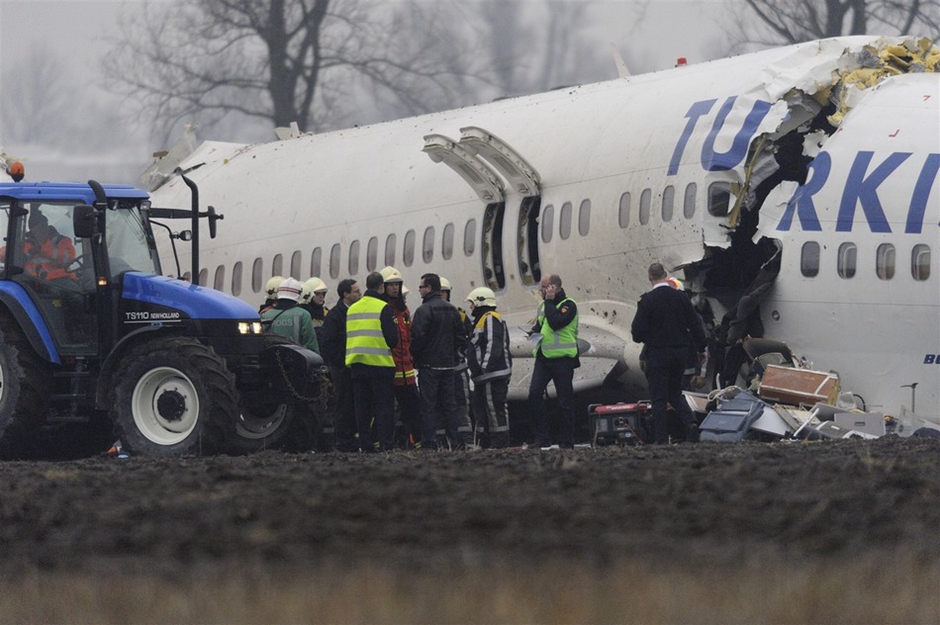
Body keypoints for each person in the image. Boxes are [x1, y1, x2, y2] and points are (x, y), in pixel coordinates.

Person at [631, 262, 706, 445]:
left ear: (650, 277)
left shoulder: (646, 300)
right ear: (665, 274)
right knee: (675, 393)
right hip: (679, 353)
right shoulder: (681, 298)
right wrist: (701, 348)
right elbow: (695, 324)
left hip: (657, 354)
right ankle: (691, 423)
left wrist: (648, 338)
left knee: (658, 397)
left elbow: (637, 332)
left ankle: (661, 438)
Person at [411, 273, 467, 450]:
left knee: (428, 405)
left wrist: (416, 356)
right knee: (449, 404)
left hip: (429, 365)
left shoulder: (423, 310)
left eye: (421, 287)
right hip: (448, 365)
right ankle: (455, 441)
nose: (419, 290)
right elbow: (460, 336)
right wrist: (450, 353)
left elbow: (417, 338)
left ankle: (429, 442)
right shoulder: (452, 309)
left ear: (428, 289)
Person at [345, 271, 398, 452]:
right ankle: (386, 446)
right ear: (381, 287)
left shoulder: (352, 309)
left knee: (362, 410)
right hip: (380, 365)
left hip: (358, 365)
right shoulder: (383, 307)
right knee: (384, 409)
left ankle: (365, 446)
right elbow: (393, 340)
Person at [527, 273, 579, 450]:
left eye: (544, 287)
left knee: (564, 402)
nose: (540, 290)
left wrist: (549, 301)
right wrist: (533, 332)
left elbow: (556, 322)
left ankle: (567, 441)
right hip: (544, 358)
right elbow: (543, 324)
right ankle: (542, 438)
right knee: (534, 394)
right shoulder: (543, 306)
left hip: (563, 359)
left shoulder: (568, 305)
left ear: (553, 288)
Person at [380, 266, 423, 449]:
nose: (395, 288)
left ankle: (416, 441)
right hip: (391, 369)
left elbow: (408, 337)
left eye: (397, 284)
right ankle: (393, 441)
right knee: (390, 410)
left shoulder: (403, 310)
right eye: (391, 285)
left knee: (413, 409)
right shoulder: (383, 310)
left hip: (407, 371)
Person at [465, 287, 512, 449]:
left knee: (494, 408)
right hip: (482, 377)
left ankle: (500, 441)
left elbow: (494, 344)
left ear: (480, 302)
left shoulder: (490, 318)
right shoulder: (480, 320)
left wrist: (484, 367)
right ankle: (485, 441)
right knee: (481, 409)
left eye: (472, 304)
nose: (471, 308)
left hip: (493, 375)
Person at [320, 278, 361, 452]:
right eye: (356, 291)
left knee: (354, 404)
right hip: (342, 368)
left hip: (354, 366)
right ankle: (343, 441)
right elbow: (328, 343)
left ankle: (352, 438)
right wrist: (341, 363)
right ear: (346, 294)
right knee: (343, 404)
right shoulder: (336, 315)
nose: (360, 294)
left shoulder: (356, 312)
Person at [439, 277, 474, 446]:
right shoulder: (425, 312)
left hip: (458, 369)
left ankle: (466, 440)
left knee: (462, 405)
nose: (441, 295)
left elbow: (468, 339)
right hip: (438, 370)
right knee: (439, 406)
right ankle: (442, 442)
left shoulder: (460, 315)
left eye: (444, 292)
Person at [260, 277, 320, 354]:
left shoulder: (265, 315)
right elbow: (311, 344)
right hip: (296, 360)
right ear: (298, 294)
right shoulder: (304, 315)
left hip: (272, 360)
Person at [23, 209, 77, 283]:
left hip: (60, 281)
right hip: (33, 283)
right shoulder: (25, 244)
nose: (43, 229)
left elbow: (68, 257)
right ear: (32, 230)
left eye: (44, 225)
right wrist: (21, 253)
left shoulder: (60, 241)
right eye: (39, 227)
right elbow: (4, 254)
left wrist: (43, 250)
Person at [299, 277, 330, 346]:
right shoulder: (303, 314)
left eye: (323, 294)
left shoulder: (327, 313)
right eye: (317, 293)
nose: (321, 296)